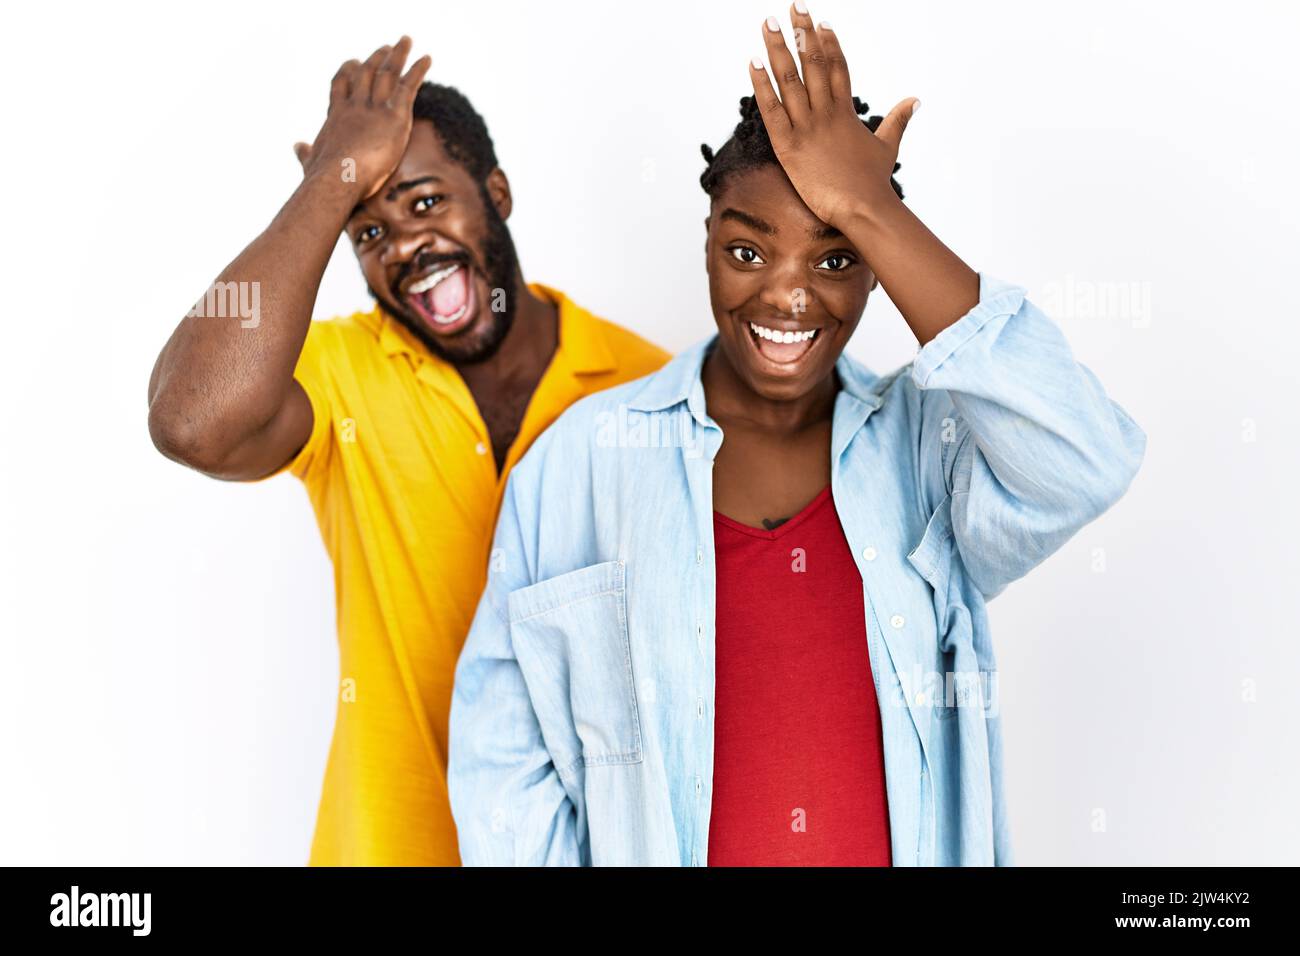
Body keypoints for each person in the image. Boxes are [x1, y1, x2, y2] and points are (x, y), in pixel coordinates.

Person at [447, 5, 1146, 866]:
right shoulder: (577, 467)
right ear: (707, 243)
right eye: (748, 253)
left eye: (837, 256)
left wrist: (867, 205)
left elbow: (1085, 460)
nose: (787, 297)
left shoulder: (933, 453)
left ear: (880, 272)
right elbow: (501, 778)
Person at [146, 37, 670, 865]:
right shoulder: (344, 372)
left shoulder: (645, 387)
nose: (403, 247)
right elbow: (191, 421)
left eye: (426, 204)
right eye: (370, 232)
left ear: (496, 192)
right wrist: (329, 185)